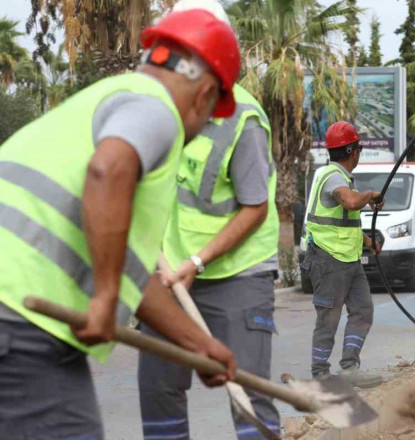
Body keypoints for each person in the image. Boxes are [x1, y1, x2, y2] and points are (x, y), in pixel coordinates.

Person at [0, 10, 241, 440]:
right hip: (10, 314)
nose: (203, 128)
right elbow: (107, 171)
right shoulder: (155, 107)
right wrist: (104, 298)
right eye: (213, 114)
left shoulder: (96, 105)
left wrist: (197, 342)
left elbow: (128, 275)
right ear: (205, 94)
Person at [137, 2, 281, 439]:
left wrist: (196, 261)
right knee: (158, 388)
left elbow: (255, 207)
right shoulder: (150, 105)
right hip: (167, 269)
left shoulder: (243, 118)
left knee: (247, 391)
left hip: (237, 273)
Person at [301, 121, 385, 389]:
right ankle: (320, 374)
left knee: (362, 310)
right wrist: (370, 194)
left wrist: (369, 241)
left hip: (348, 259)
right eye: (358, 147)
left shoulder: (343, 178)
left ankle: (350, 367)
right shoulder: (333, 177)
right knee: (329, 318)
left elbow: (345, 222)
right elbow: (349, 202)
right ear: (353, 151)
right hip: (328, 260)